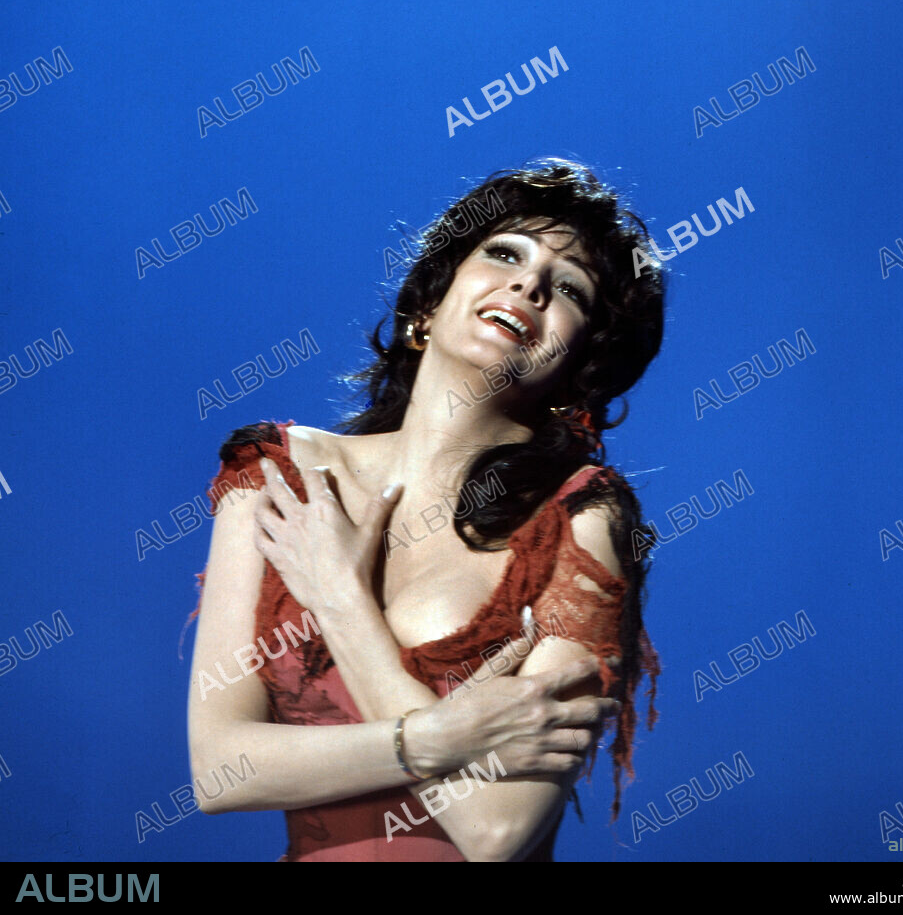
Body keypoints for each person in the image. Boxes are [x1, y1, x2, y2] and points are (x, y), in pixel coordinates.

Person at [186, 158, 664, 861]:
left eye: (568, 289)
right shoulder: (277, 475)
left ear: (579, 368)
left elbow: (496, 829)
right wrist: (436, 740)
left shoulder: (580, 517)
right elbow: (217, 769)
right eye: (503, 252)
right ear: (427, 306)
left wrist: (342, 605)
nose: (528, 282)